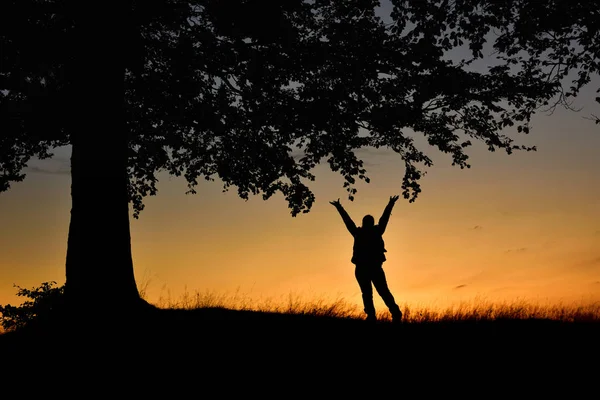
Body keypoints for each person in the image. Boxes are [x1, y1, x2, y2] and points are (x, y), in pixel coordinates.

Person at [330, 195, 402, 323]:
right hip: (367, 268)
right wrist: (390, 204)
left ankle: (387, 314)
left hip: (368, 268)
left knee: (374, 293)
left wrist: (339, 208)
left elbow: (349, 222)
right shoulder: (372, 231)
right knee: (375, 292)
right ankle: (384, 314)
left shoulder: (363, 232)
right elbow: (383, 219)